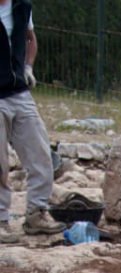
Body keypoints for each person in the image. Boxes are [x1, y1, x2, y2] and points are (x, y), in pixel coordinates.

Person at [0, 0, 64, 241]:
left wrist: (28, 67)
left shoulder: (21, 6)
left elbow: (30, 38)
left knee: (40, 154)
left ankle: (36, 213)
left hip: (18, 91)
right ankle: (1, 220)